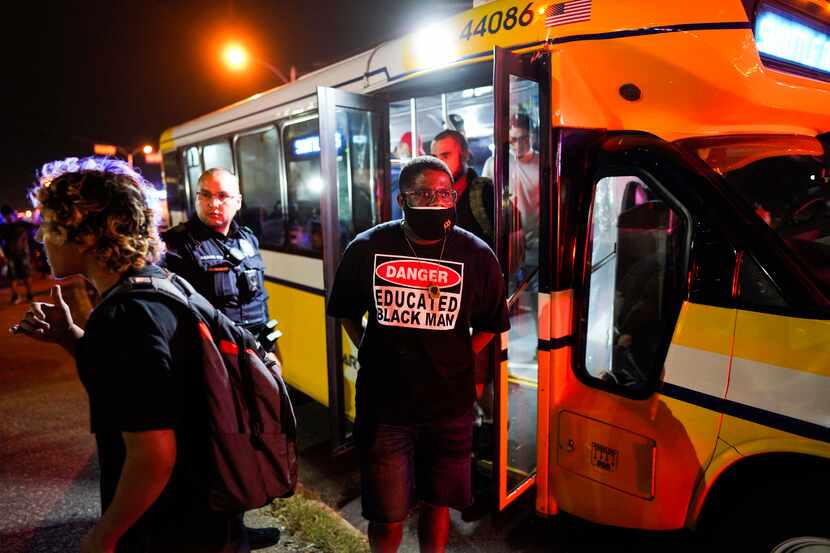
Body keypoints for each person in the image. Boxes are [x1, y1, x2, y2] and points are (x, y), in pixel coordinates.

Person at [11, 157, 248, 553]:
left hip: (167, 527)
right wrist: (70, 336)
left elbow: (152, 453)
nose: (41, 239)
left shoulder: (124, 316)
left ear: (86, 233)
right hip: (203, 512)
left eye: (49, 225)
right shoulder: (159, 284)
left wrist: (105, 535)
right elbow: (139, 380)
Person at [327, 156, 510, 553]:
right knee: (388, 515)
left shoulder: (476, 254)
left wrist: (460, 354)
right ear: (402, 198)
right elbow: (344, 310)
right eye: (424, 193)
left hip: (449, 410)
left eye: (444, 193)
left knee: (438, 504)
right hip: (386, 411)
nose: (436, 201)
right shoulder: (368, 247)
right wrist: (369, 347)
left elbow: (493, 322)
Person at [160, 168, 280, 547]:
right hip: (209, 366)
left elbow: (257, 302)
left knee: (246, 444)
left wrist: (271, 350)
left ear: (238, 201)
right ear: (196, 198)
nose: (214, 203)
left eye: (223, 195)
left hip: (250, 359)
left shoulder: (247, 239)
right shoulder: (176, 246)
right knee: (214, 452)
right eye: (206, 195)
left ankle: (237, 527)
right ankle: (221, 536)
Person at [482, 112, 541, 260]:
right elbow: (483, 200)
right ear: (507, 139)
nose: (519, 144)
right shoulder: (494, 164)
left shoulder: (543, 163)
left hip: (536, 245)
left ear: (532, 136)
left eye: (524, 138)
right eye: (514, 139)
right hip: (505, 243)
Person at [430, 130, 494, 247]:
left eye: (445, 156)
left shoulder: (485, 192)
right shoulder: (428, 195)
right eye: (435, 158)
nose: (439, 163)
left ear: (465, 155)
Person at [0, 204, 35, 304]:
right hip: (9, 255)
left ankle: (30, 294)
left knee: (26, 275)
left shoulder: (22, 223)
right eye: (5, 215)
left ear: (12, 214)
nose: (8, 217)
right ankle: (15, 295)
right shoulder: (3, 227)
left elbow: (35, 227)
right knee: (12, 276)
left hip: (23, 254)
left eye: (9, 214)